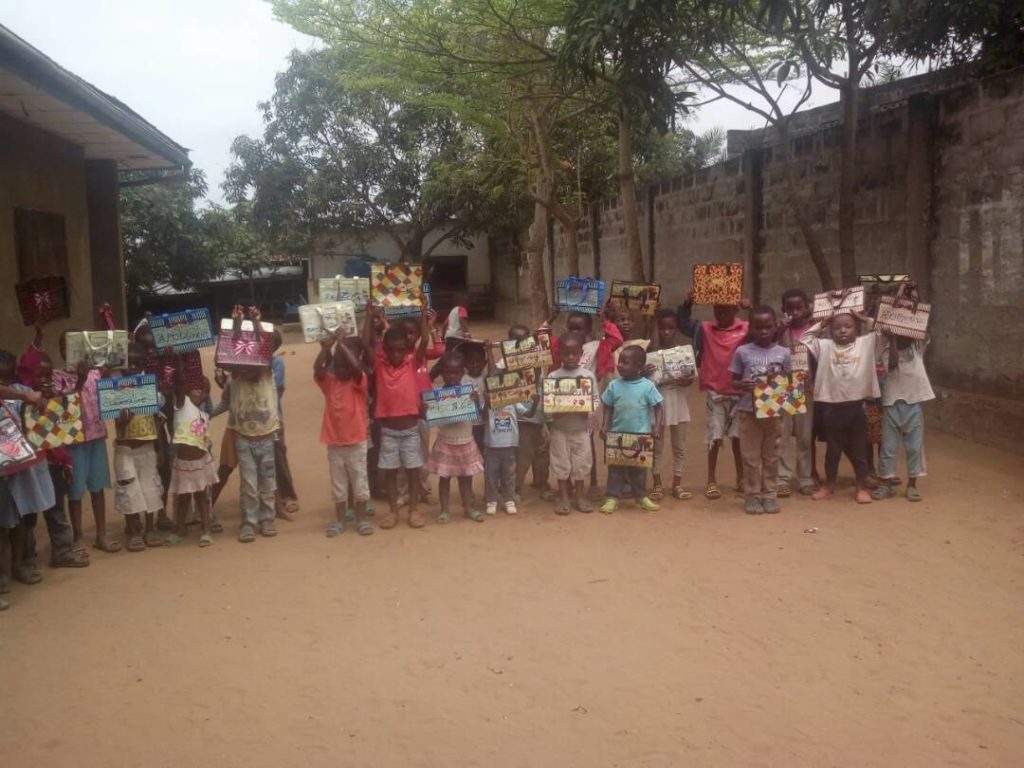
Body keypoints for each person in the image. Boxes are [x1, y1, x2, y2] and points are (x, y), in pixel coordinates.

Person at [801, 312, 881, 504]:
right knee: (833, 451)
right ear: (830, 331)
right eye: (836, 327)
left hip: (856, 408)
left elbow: (880, 331)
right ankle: (829, 486)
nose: (843, 330)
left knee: (860, 451)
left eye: (848, 326)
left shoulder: (865, 344)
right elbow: (805, 338)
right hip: (831, 408)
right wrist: (822, 322)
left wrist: (863, 319)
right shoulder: (825, 346)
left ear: (857, 329)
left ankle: (861, 488)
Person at [677, 292, 750, 501]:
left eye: (727, 310)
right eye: (718, 310)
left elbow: (768, 331)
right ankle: (711, 480)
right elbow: (682, 322)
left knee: (738, 439)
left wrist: (750, 308)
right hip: (715, 392)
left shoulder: (746, 329)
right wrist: (688, 302)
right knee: (714, 439)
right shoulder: (705, 329)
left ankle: (741, 478)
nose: (722, 314)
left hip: (740, 392)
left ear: (736, 309)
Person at [367, 302, 431, 529]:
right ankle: (393, 511)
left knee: (414, 471)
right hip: (389, 432)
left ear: (406, 349)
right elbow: (366, 344)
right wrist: (369, 317)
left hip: (411, 429)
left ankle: (413, 510)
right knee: (391, 473)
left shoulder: (413, 362)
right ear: (384, 349)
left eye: (400, 349)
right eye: (391, 349)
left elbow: (424, 341)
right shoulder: (380, 365)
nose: (396, 353)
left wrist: (423, 316)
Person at [225, 306, 281, 542]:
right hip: (244, 438)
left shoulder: (267, 370)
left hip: (266, 435)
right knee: (248, 484)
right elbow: (232, 352)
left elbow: (263, 351)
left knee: (267, 482)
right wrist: (237, 324)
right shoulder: (235, 374)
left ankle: (267, 518)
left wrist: (256, 322)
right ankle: (249, 521)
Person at [729, 307, 792, 515]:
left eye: (768, 326)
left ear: (775, 327)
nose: (763, 331)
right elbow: (733, 382)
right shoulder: (742, 352)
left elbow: (789, 383)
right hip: (748, 411)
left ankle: (769, 495)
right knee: (750, 456)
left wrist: (794, 387)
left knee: (771, 456)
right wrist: (742, 385)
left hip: (773, 413)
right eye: (758, 327)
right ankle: (753, 495)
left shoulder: (784, 353)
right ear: (751, 328)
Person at [0, 352, 56, 585]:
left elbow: (41, 418)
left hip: (21, 465)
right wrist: (25, 395)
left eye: (8, 375)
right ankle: (3, 575)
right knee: (2, 523)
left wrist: (42, 401)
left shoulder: (23, 392)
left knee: (22, 517)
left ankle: (19, 566)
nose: (5, 380)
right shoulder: (21, 393)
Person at [315, 332, 374, 537]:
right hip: (334, 443)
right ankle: (340, 520)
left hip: (356, 442)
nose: (341, 370)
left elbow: (357, 369)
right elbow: (318, 369)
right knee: (338, 485)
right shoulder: (330, 384)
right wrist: (326, 348)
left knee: (360, 483)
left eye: (345, 366)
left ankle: (361, 519)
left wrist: (341, 345)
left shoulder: (359, 384)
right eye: (337, 366)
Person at [112, 343, 166, 551]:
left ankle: (149, 528)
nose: (132, 368)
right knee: (129, 489)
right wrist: (123, 418)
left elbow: (157, 419)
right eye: (128, 364)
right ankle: (133, 531)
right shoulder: (115, 390)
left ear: (144, 365)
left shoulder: (150, 388)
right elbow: (117, 422)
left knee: (150, 488)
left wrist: (160, 448)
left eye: (137, 364)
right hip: (125, 449)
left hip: (147, 446)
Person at [599, 345, 664, 513]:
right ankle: (612, 498)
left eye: (625, 362)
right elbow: (607, 405)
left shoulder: (647, 386)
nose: (620, 365)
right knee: (615, 470)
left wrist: (657, 426)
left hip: (641, 436)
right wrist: (605, 424)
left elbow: (658, 406)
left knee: (639, 470)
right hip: (617, 434)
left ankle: (641, 497)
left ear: (639, 367)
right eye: (620, 361)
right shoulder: (614, 385)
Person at [871, 333, 934, 502]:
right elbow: (891, 366)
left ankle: (912, 485)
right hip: (891, 404)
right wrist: (892, 339)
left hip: (913, 405)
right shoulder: (886, 350)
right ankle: (886, 483)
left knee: (914, 447)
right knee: (888, 447)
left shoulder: (917, 348)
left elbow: (924, 328)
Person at [67, 350, 118, 552]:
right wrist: (80, 378)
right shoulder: (59, 377)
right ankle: (78, 535)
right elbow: (67, 401)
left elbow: (112, 371)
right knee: (75, 491)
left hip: (96, 436)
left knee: (98, 487)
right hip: (74, 439)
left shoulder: (96, 374)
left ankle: (101, 534)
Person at [166, 353, 219, 547]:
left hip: (200, 462)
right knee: (182, 498)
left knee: (201, 497)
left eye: (203, 390)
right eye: (195, 388)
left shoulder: (204, 413)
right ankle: (180, 529)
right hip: (183, 462)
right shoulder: (181, 404)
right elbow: (180, 381)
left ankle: (206, 530)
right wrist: (178, 361)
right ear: (187, 390)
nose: (199, 392)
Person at [426, 350, 486, 523]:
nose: (451, 376)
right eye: (447, 372)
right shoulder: (436, 396)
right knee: (444, 479)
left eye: (456, 373)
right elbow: (429, 417)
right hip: (446, 443)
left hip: (465, 442)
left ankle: (468, 508)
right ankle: (444, 510)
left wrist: (476, 402)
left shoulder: (469, 393)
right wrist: (426, 409)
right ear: (442, 373)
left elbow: (477, 416)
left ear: (462, 372)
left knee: (466, 479)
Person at [546, 332, 600, 515]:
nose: (570, 357)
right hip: (560, 429)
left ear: (581, 354)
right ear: (559, 354)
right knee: (561, 464)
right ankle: (564, 497)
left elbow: (595, 400)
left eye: (574, 353)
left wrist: (588, 409)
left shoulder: (587, 376)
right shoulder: (553, 377)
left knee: (582, 463)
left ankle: (580, 496)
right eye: (565, 354)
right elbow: (547, 405)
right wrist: (553, 408)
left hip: (581, 430)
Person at [645, 309, 695, 501]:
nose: (666, 332)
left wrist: (687, 380)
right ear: (656, 328)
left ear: (676, 330)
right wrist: (644, 372)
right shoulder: (648, 351)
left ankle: (677, 484)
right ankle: (657, 483)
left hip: (678, 402)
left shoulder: (683, 352)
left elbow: (689, 378)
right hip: (657, 403)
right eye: (662, 328)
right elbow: (643, 380)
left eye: (670, 328)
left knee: (679, 445)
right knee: (656, 445)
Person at [776, 289, 818, 496]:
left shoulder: (815, 331)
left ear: (807, 308)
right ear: (783, 310)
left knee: (804, 434)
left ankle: (805, 477)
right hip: (783, 386)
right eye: (790, 308)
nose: (795, 312)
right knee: (782, 434)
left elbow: (820, 360)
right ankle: (782, 477)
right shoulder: (779, 331)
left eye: (799, 307)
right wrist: (780, 327)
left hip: (806, 387)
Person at [482, 388, 539, 516]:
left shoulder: (513, 402)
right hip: (492, 446)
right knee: (491, 475)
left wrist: (535, 403)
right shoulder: (489, 402)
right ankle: (491, 501)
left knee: (509, 475)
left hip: (509, 445)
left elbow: (528, 414)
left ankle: (509, 500)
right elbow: (483, 417)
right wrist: (486, 402)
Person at [271, 329, 300, 521]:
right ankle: (271, 497)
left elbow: (278, 392)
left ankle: (288, 495)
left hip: (274, 417)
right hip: (252, 419)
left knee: (279, 455)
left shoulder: (277, 363)